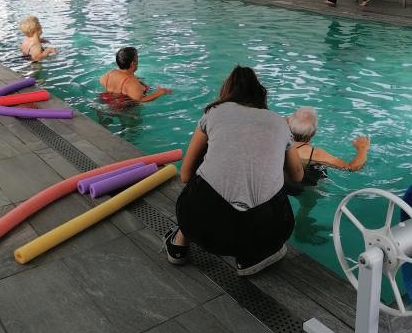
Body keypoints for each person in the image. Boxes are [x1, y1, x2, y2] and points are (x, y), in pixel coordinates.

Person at [164, 66, 304, 276]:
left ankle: (179, 243)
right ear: (260, 93)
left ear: (227, 91)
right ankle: (252, 257)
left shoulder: (214, 113)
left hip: (201, 227)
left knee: (202, 172)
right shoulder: (279, 121)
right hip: (267, 231)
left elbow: (185, 175)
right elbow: (298, 176)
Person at [287, 106, 370, 178]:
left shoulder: (282, 142)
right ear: (314, 132)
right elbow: (351, 167)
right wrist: (362, 149)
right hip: (308, 188)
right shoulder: (314, 153)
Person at [99, 46, 172, 104]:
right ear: (132, 64)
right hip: (124, 110)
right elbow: (140, 100)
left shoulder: (110, 73)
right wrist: (159, 92)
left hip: (104, 101)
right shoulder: (131, 82)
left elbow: (101, 80)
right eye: (137, 58)